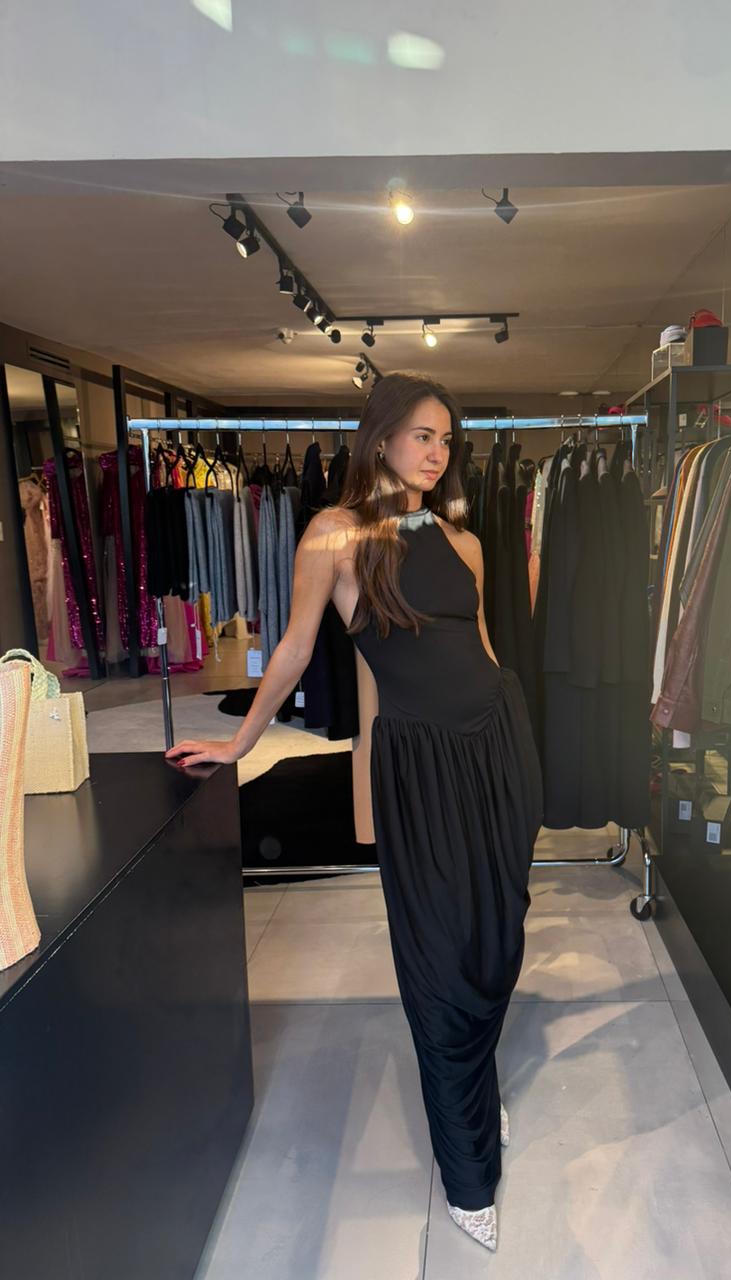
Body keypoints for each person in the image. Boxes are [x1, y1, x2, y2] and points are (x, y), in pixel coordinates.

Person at [166, 372, 543, 1252]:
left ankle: (474, 1090)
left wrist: (519, 750)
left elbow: (485, 651)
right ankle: (468, 1171)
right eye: (422, 435)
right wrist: (242, 742)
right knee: (439, 958)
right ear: (381, 438)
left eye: (445, 439)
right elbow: (295, 650)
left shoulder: (463, 539)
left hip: (499, 748)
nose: (437, 453)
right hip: (422, 767)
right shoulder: (334, 537)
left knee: (497, 941)